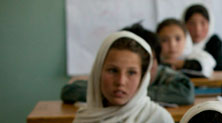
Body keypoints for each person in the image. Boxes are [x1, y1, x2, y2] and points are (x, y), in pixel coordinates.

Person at [67, 31, 176, 123]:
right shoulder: (86, 120)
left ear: (142, 78)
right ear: (98, 72)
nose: (120, 82)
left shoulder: (159, 120)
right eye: (113, 70)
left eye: (131, 73)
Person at [61, 23, 195, 106]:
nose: (121, 81)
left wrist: (134, 94)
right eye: (114, 70)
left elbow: (186, 93)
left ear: (157, 62)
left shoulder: (165, 75)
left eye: (132, 71)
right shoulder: (112, 80)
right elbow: (70, 91)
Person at [183, 3, 222, 70]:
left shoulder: (214, 41)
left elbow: (219, 70)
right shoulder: (177, 42)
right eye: (192, 23)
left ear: (210, 24)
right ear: (184, 24)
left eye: (203, 23)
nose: (197, 29)